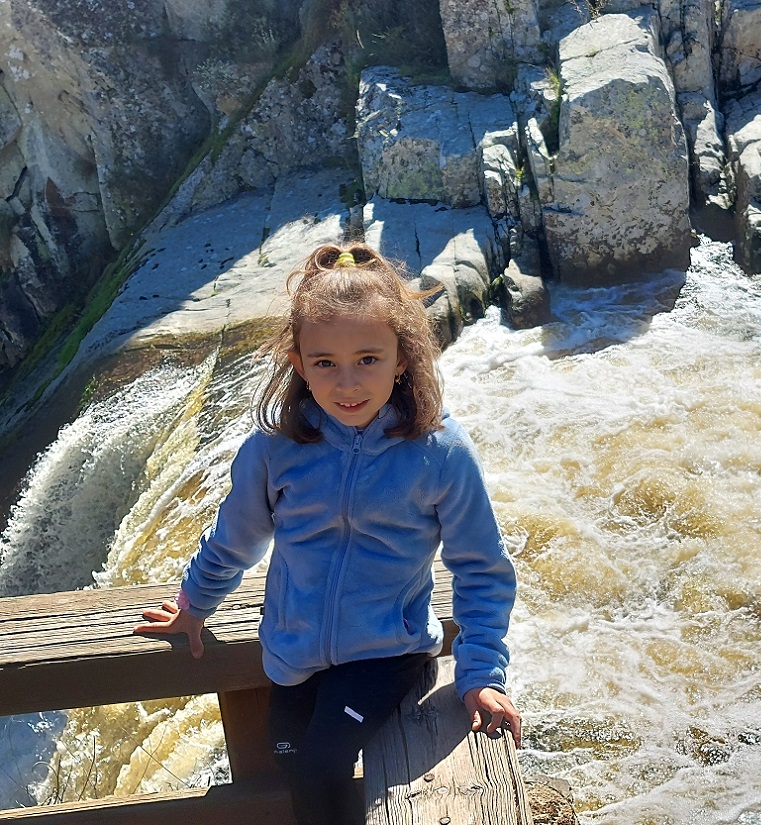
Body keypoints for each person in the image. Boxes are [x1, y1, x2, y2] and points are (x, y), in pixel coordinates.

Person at [134, 242, 520, 825]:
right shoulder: (276, 449)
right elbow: (235, 539)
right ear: (298, 363)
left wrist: (482, 674)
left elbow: (482, 569)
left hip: (387, 653)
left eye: (367, 359)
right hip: (293, 653)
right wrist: (194, 605)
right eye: (324, 363)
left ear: (402, 359)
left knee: (320, 766)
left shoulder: (440, 452)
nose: (347, 383)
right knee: (292, 762)